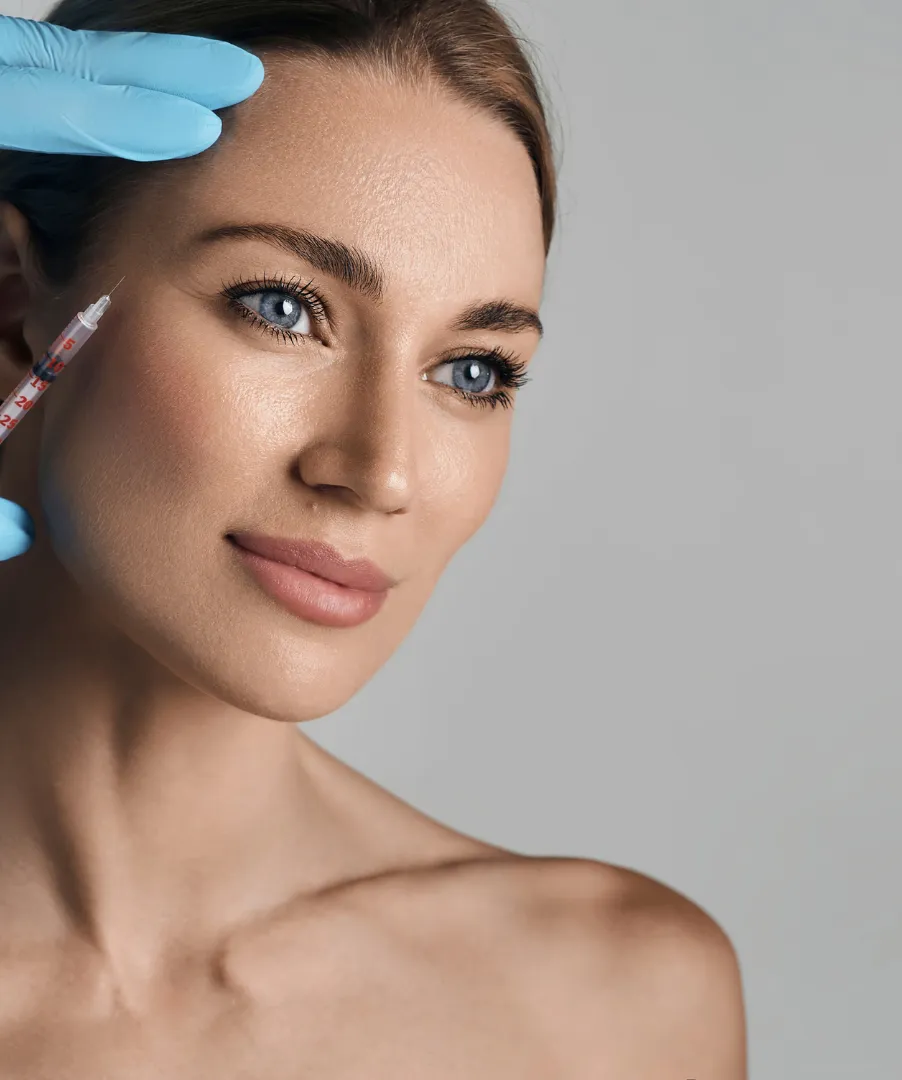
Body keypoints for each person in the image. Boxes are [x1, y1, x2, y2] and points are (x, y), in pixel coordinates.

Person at [0, 4, 747, 1075]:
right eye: (283, 306)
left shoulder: (610, 1008)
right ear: (15, 302)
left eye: (473, 370)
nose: (382, 470)